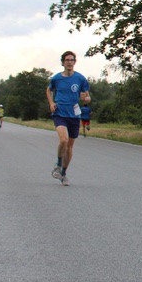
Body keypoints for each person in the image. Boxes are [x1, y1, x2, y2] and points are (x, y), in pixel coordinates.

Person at [46, 51, 91, 186]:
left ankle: (63, 173)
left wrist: (86, 99)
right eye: (67, 60)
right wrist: (51, 103)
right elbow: (49, 90)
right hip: (60, 112)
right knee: (64, 140)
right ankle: (58, 164)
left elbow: (87, 96)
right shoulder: (56, 78)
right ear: (63, 62)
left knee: (70, 146)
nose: (69, 62)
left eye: (71, 60)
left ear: (75, 62)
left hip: (74, 114)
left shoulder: (80, 79)